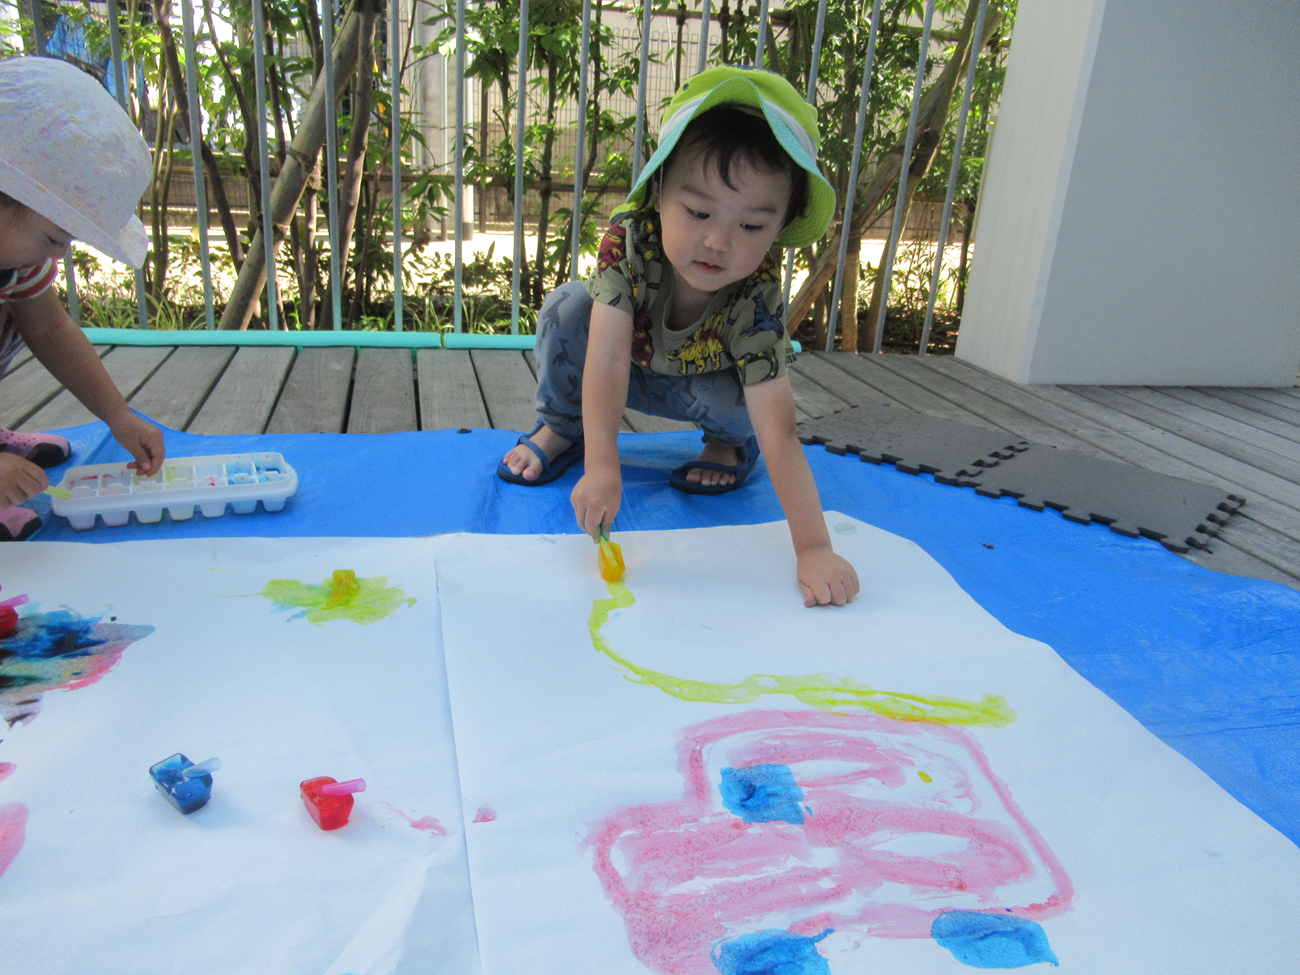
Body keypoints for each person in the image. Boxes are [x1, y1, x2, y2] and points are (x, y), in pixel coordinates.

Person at [498, 65, 858, 607]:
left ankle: (727, 448)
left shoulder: (756, 294)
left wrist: (813, 547)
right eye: (697, 211)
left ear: (780, 229)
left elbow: (779, 430)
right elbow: (608, 355)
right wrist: (603, 464)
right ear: (660, 192)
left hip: (707, 391)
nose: (718, 241)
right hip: (631, 372)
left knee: (750, 405)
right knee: (568, 309)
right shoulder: (631, 243)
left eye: (752, 226)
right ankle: (565, 428)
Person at [0, 56, 164, 541]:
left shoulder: (18, 259)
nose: (61, 253)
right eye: (55, 238)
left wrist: (118, 414)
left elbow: (50, 329)